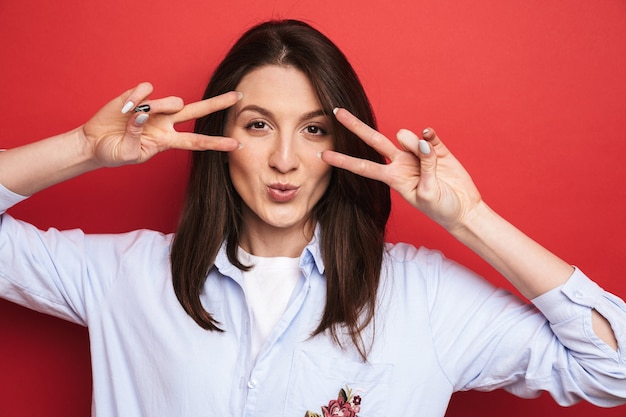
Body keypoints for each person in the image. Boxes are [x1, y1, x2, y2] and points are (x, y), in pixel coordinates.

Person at [0, 19, 624, 417]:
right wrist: (83, 147)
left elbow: (614, 370)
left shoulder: (422, 297)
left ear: (341, 148)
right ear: (220, 136)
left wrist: (471, 219)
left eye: (314, 130)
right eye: (258, 125)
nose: (284, 159)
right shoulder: (127, 276)